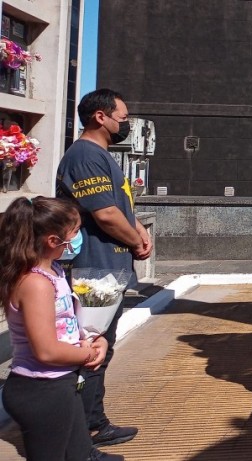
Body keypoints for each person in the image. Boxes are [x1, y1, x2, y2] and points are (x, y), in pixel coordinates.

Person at [56, 88, 153, 447]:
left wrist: (140, 231)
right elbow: (106, 214)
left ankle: (94, 421)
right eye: (123, 119)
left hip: (107, 268)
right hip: (93, 269)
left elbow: (120, 206)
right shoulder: (84, 156)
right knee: (92, 349)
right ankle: (84, 433)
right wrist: (134, 240)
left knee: (102, 347)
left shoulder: (100, 155)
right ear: (101, 117)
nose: (125, 125)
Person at [0, 197, 122, 461]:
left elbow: (64, 324)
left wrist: (95, 339)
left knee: (79, 454)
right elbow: (46, 351)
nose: (79, 238)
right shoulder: (35, 283)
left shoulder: (53, 271)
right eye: (75, 232)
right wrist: (87, 354)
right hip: (41, 389)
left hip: (60, 384)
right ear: (53, 241)